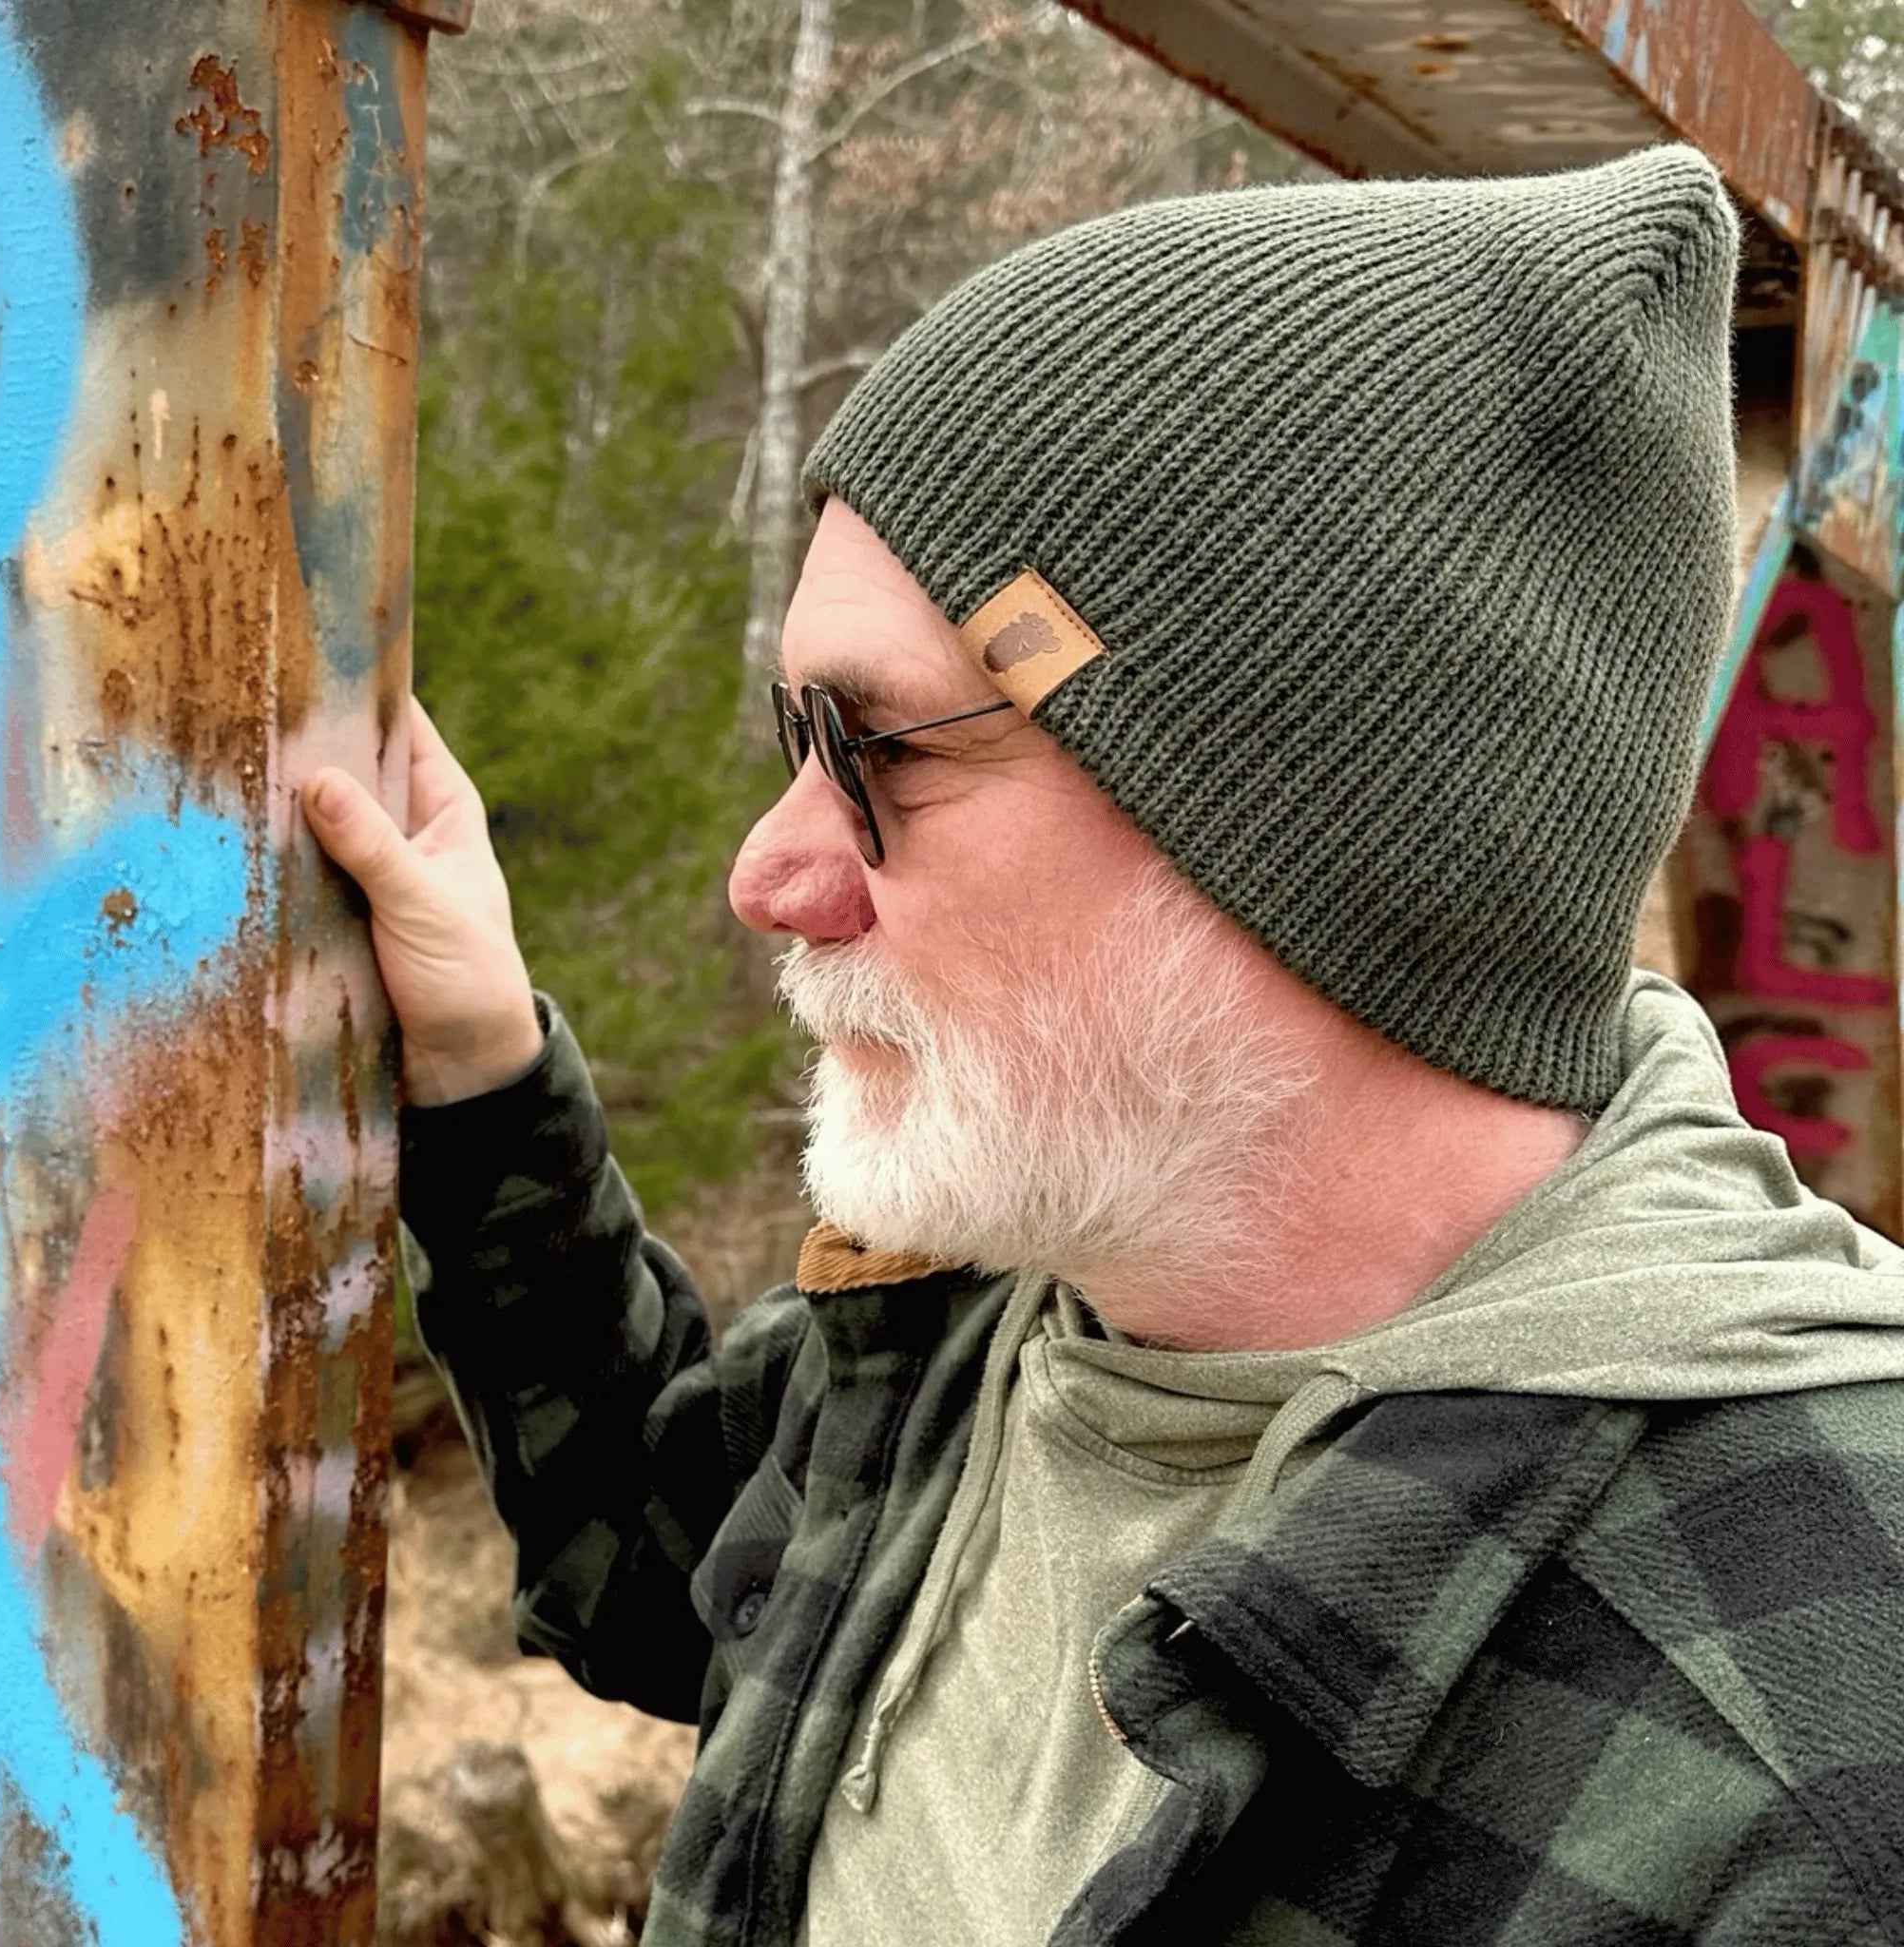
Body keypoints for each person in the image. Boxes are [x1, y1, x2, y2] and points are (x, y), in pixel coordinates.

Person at [307, 145, 1904, 1945]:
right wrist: (481, 1063)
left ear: (1318, 831)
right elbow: (672, 1571)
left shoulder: (1817, 1762)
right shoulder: (1004, 1303)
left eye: (886, 750)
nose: (769, 875)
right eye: (793, 734)